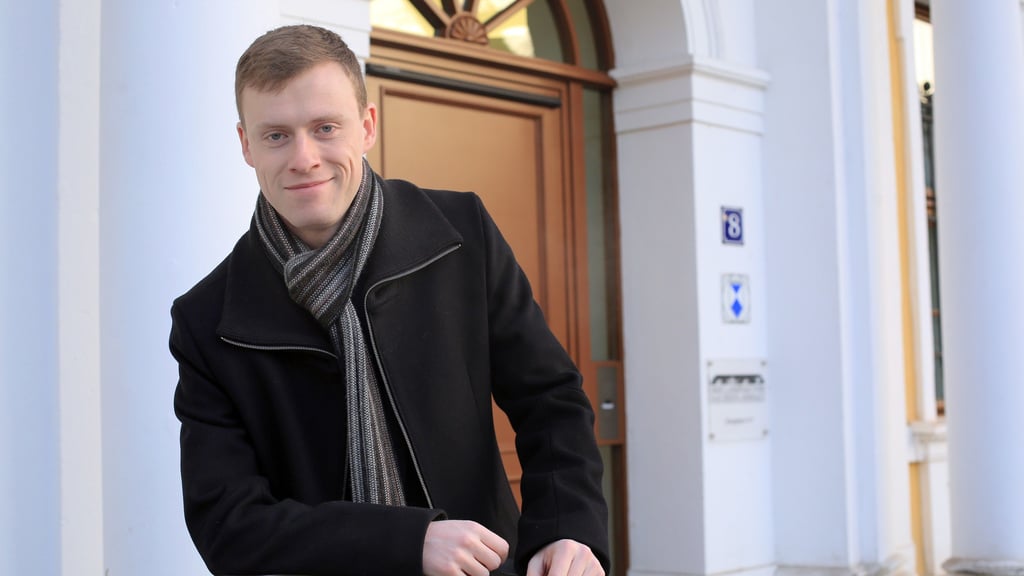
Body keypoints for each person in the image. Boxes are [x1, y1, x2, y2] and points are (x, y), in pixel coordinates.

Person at [169, 24, 608, 576]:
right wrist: (405, 542)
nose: (304, 158)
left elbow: (551, 400)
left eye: (325, 128)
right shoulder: (207, 319)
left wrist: (567, 530)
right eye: (277, 135)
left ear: (367, 125)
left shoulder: (461, 234)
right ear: (245, 145)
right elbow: (227, 525)